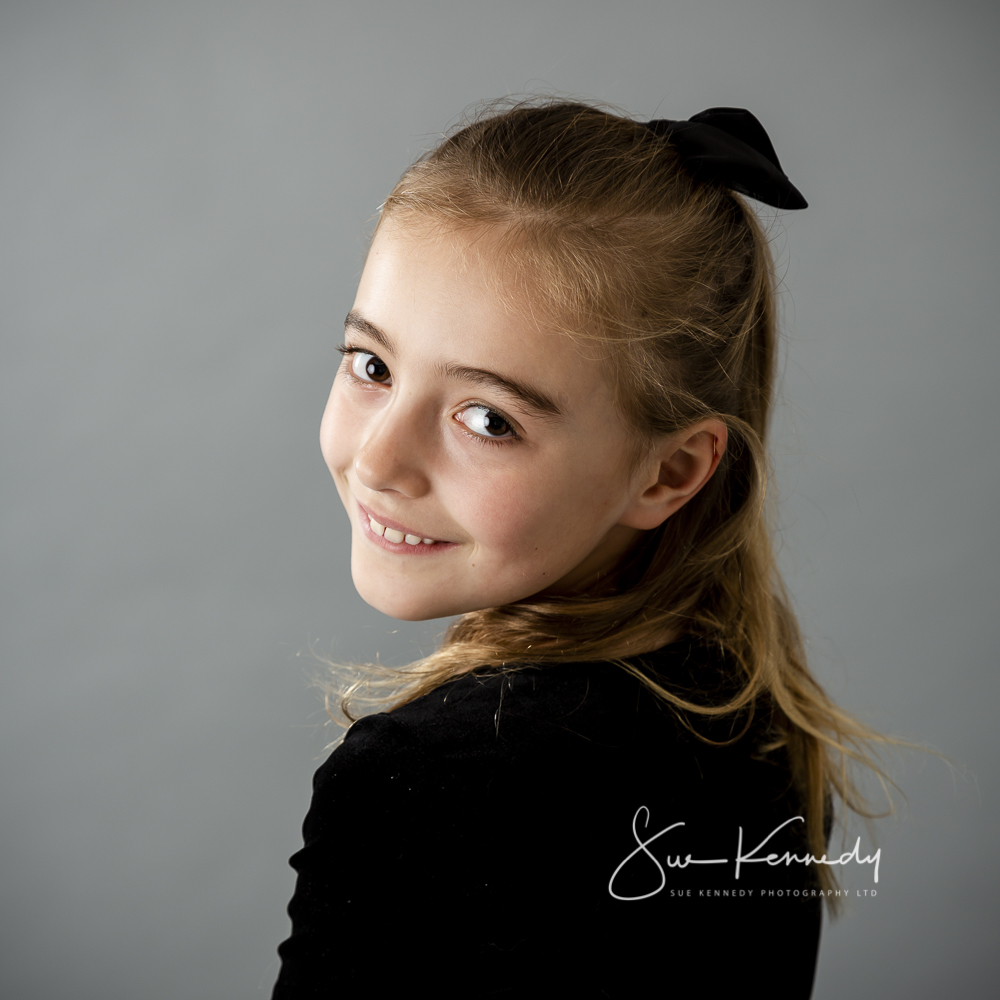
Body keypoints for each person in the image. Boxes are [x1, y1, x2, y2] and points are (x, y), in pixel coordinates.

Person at [270, 100, 883, 999]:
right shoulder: (761, 724)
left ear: (670, 472)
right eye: (372, 366)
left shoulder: (426, 781)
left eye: (488, 419)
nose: (378, 458)